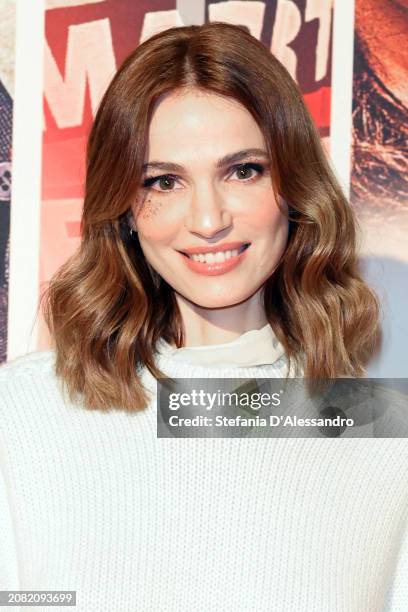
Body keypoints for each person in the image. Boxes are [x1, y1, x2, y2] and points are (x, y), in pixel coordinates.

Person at [0, 22, 406, 611]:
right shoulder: (22, 416)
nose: (208, 218)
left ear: (294, 186)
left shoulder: (384, 434)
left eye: (243, 171)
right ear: (124, 209)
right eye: (163, 181)